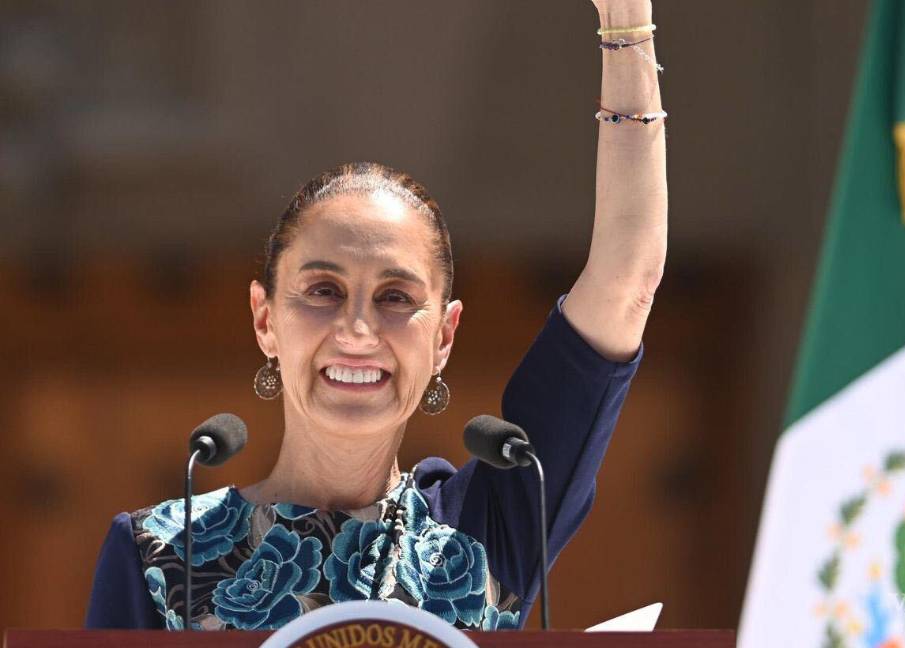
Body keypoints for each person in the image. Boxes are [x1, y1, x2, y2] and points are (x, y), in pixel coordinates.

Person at [85, 0, 666, 632]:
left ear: (444, 336)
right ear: (264, 320)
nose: (357, 331)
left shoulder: (485, 527)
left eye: (395, 297)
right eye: (323, 290)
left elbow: (626, 280)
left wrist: (626, 22)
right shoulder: (161, 556)